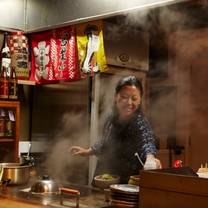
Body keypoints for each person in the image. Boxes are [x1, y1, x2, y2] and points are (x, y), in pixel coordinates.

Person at [70, 75, 161, 184]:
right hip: (106, 174)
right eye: (124, 96)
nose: (129, 103)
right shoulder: (111, 117)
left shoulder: (140, 121)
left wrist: (150, 158)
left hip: (127, 183)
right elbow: (105, 141)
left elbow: (147, 142)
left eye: (134, 98)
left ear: (140, 100)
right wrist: (88, 151)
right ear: (115, 96)